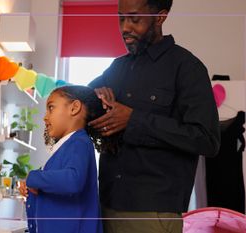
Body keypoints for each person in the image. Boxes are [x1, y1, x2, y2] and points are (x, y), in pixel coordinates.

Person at [87, 0, 221, 232]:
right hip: (105, 206)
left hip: (153, 212)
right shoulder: (116, 68)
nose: (125, 27)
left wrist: (134, 120)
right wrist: (93, 95)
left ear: (160, 17)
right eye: (120, 18)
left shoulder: (187, 68)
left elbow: (207, 139)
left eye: (134, 19)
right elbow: (79, 106)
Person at [19, 85, 116, 233]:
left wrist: (34, 177)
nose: (45, 117)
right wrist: (33, 188)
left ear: (74, 108)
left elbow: (73, 180)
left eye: (51, 108)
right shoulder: (66, 146)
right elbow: (56, 185)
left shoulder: (79, 142)